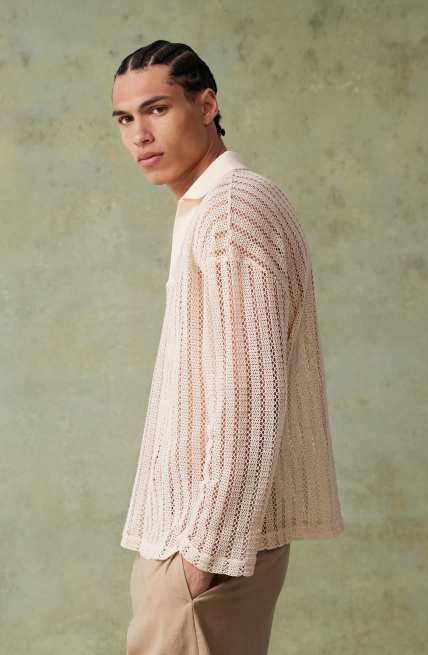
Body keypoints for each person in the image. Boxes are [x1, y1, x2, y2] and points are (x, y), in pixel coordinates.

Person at [111, 40, 344, 655]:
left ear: (207, 104)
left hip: (202, 547)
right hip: (194, 541)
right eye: (125, 119)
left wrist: (200, 560)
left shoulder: (232, 212)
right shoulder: (215, 206)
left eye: (157, 109)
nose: (139, 135)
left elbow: (250, 399)